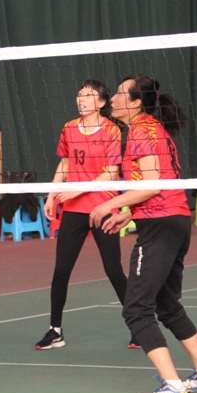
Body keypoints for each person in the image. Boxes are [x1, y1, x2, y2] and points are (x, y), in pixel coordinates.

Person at [91, 75, 197, 393]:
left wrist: (109, 203)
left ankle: (173, 385)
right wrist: (128, 213)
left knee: (136, 310)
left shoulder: (142, 130)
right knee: (167, 304)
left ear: (136, 102)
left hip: (160, 226)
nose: (113, 99)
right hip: (173, 220)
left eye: (120, 93)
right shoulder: (152, 128)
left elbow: (152, 186)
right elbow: (159, 184)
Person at [35, 80, 133, 350]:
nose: (82, 99)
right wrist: (52, 194)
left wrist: (77, 189)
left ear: (101, 102)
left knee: (113, 270)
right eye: (80, 95)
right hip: (73, 209)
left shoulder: (112, 130)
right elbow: (65, 163)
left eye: (88, 96)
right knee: (61, 271)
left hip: (103, 207)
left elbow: (111, 173)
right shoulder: (69, 127)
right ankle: (55, 331)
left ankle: (139, 326)